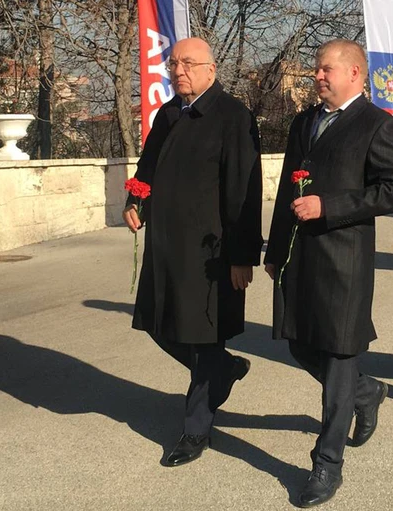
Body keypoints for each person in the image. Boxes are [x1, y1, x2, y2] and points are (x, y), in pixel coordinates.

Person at [264, 39, 393, 507]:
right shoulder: (304, 122)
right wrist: (275, 248)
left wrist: (330, 206)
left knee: (340, 355)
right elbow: (289, 186)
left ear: (355, 74)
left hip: (344, 259)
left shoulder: (378, 124)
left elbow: (391, 191)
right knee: (300, 344)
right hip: (299, 255)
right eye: (316, 69)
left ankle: (326, 463)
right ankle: (367, 392)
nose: (318, 76)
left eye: (326, 69)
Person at [122, 37, 263, 466]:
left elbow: (245, 191)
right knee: (157, 321)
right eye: (173, 64)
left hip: (209, 252)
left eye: (187, 63)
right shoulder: (168, 113)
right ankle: (223, 369)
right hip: (166, 246)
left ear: (210, 69)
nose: (178, 71)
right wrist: (135, 201)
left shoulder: (233, 116)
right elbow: (147, 167)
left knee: (203, 337)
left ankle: (195, 428)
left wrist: (242, 255)